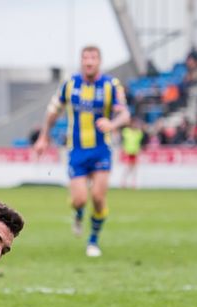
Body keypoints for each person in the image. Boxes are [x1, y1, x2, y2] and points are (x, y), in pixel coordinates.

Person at [33, 45, 130, 257]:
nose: (89, 62)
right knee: (80, 200)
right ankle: (78, 214)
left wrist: (113, 125)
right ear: (81, 61)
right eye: (85, 57)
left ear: (99, 61)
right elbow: (52, 112)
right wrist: (43, 137)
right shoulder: (70, 85)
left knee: (97, 196)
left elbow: (125, 115)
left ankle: (93, 241)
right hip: (76, 151)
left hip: (101, 149)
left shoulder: (111, 85)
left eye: (93, 58)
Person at [120, 118, 145, 189]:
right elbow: (123, 140)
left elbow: (141, 141)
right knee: (128, 168)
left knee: (134, 168)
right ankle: (124, 182)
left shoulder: (138, 132)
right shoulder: (126, 131)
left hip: (135, 152)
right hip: (128, 152)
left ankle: (133, 183)